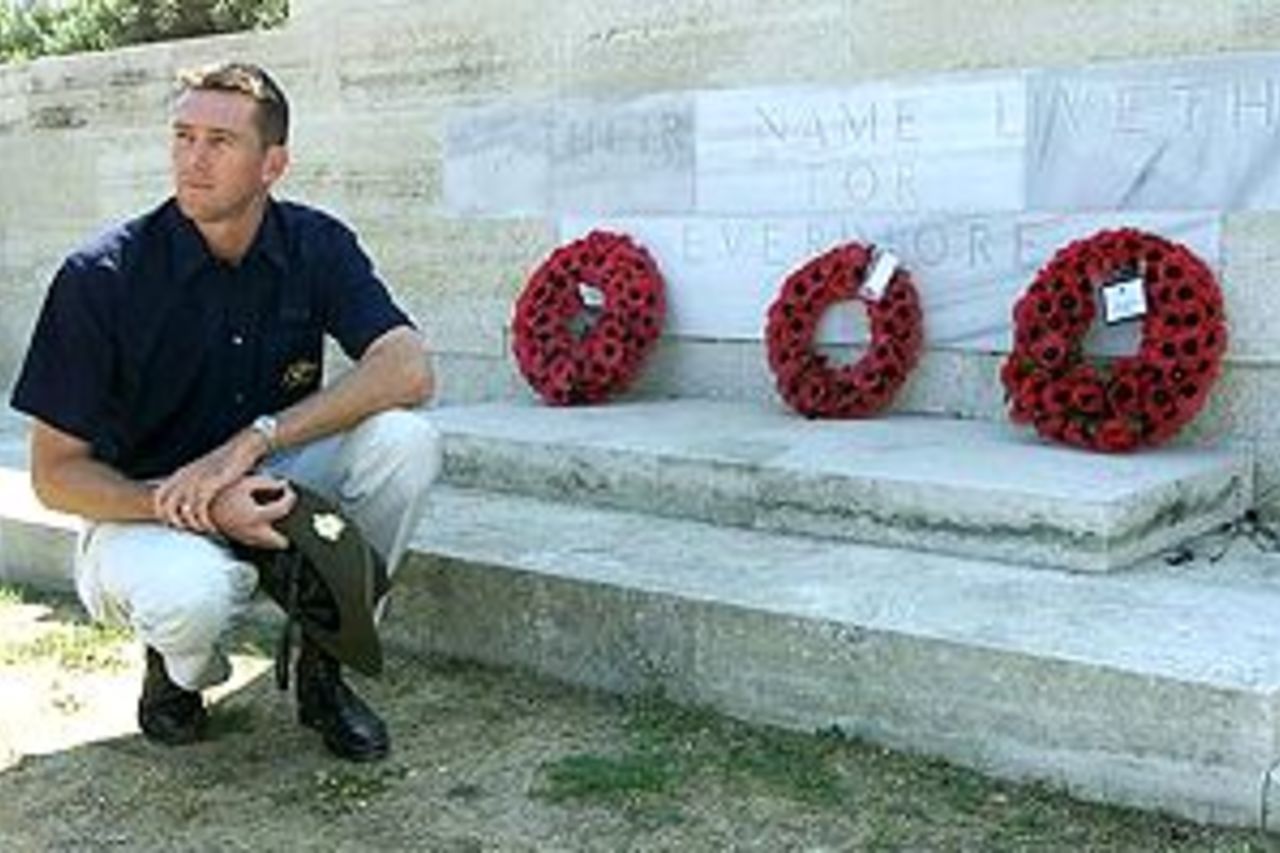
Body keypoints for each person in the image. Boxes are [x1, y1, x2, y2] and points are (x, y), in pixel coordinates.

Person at [9, 61, 441, 762]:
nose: (193, 159)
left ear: (273, 163)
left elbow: (409, 365)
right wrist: (205, 504)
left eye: (219, 141)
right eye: (182, 136)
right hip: (145, 505)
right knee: (192, 593)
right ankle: (180, 670)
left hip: (271, 470)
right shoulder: (101, 278)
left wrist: (257, 438)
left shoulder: (316, 244)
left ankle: (326, 657)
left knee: (406, 441)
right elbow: (55, 475)